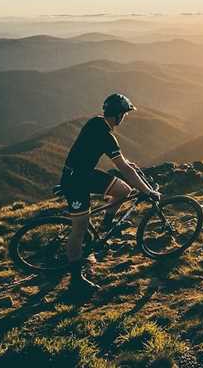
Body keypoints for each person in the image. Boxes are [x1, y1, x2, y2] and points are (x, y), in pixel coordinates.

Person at [60, 93, 160, 292]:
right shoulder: (107, 136)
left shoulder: (96, 123)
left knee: (124, 190)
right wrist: (147, 191)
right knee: (79, 229)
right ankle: (76, 280)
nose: (124, 118)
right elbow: (123, 168)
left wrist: (125, 163)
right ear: (118, 115)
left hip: (83, 174)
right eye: (124, 114)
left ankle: (106, 224)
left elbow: (111, 157)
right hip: (76, 181)